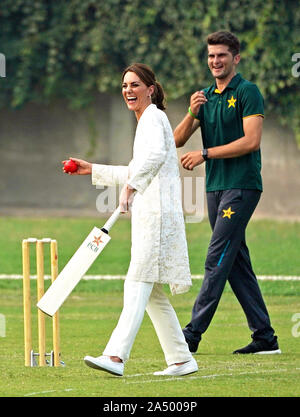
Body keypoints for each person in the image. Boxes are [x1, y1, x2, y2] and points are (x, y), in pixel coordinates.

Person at [64, 63, 198, 376]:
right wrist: (92, 169)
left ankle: (115, 356)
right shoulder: (148, 122)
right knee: (151, 293)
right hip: (151, 216)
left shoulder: (153, 118)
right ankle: (181, 359)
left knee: (137, 281)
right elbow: (138, 168)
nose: (129, 91)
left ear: (150, 89)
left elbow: (148, 163)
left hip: (158, 217)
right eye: (125, 86)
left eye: (135, 85)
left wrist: (131, 186)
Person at [174, 31, 281, 355]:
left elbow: (252, 141)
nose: (215, 61)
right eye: (211, 56)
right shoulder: (205, 97)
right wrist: (192, 112)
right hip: (215, 188)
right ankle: (265, 337)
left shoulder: (248, 92)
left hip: (242, 185)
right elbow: (176, 140)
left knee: (216, 258)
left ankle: (191, 335)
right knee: (235, 261)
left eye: (221, 55)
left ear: (236, 58)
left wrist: (205, 153)